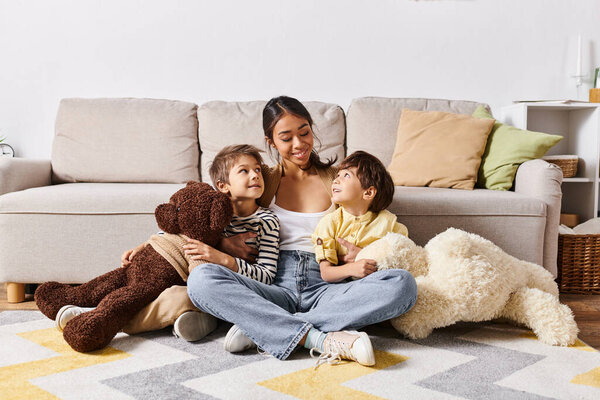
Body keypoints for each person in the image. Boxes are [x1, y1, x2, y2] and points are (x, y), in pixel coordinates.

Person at [122, 96, 417, 367]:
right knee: (201, 280)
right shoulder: (262, 179)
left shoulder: (336, 178)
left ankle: (265, 327)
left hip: (327, 286)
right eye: (286, 138)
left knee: (402, 285)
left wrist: (361, 254)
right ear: (271, 142)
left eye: (304, 132)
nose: (299, 144)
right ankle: (315, 337)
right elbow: (202, 212)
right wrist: (156, 242)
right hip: (273, 282)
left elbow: (373, 220)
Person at [67, 144, 280, 343]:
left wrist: (221, 258)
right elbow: (180, 226)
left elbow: (267, 277)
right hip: (189, 278)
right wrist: (144, 245)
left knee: (176, 297)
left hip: (223, 289)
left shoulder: (267, 222)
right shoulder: (210, 208)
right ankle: (98, 312)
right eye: (244, 171)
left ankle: (104, 320)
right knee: (151, 288)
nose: (255, 175)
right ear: (223, 186)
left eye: (258, 170)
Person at [312, 150, 408, 283]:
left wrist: (363, 255)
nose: (336, 180)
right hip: (343, 287)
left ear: (368, 193)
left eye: (346, 175)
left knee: (404, 280)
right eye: (338, 175)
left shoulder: (389, 223)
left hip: (377, 283)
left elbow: (404, 260)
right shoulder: (328, 223)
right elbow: (326, 273)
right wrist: (351, 268)